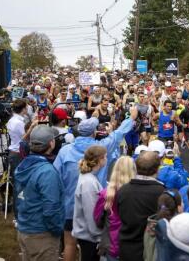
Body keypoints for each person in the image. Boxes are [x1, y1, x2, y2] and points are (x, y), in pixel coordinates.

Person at [54, 106, 138, 261]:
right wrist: (131, 118)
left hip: (69, 205)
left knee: (70, 245)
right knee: (92, 249)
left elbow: (56, 177)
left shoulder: (65, 151)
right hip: (95, 209)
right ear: (94, 132)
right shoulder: (101, 148)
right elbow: (119, 134)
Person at [15, 125, 64, 261]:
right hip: (41, 234)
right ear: (51, 143)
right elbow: (51, 207)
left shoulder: (23, 164)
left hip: (25, 228)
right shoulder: (47, 172)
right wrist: (56, 230)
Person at [117, 151, 165, 261]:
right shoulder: (161, 192)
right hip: (148, 251)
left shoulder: (123, 190)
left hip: (126, 249)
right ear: (157, 169)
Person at [93, 156, 136, 261]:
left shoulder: (106, 194)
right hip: (133, 244)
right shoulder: (138, 194)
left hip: (112, 243)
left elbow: (98, 219)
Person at [72, 146, 107, 261]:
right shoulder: (89, 183)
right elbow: (91, 213)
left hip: (89, 236)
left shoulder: (90, 178)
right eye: (105, 157)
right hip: (90, 238)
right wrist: (98, 237)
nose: (106, 159)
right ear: (99, 160)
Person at [8, 99, 38, 216]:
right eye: (26, 107)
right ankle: (18, 214)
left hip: (15, 152)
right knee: (19, 184)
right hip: (18, 153)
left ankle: (20, 212)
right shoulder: (18, 122)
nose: (28, 109)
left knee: (18, 183)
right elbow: (24, 138)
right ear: (23, 109)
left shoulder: (14, 120)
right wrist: (32, 127)